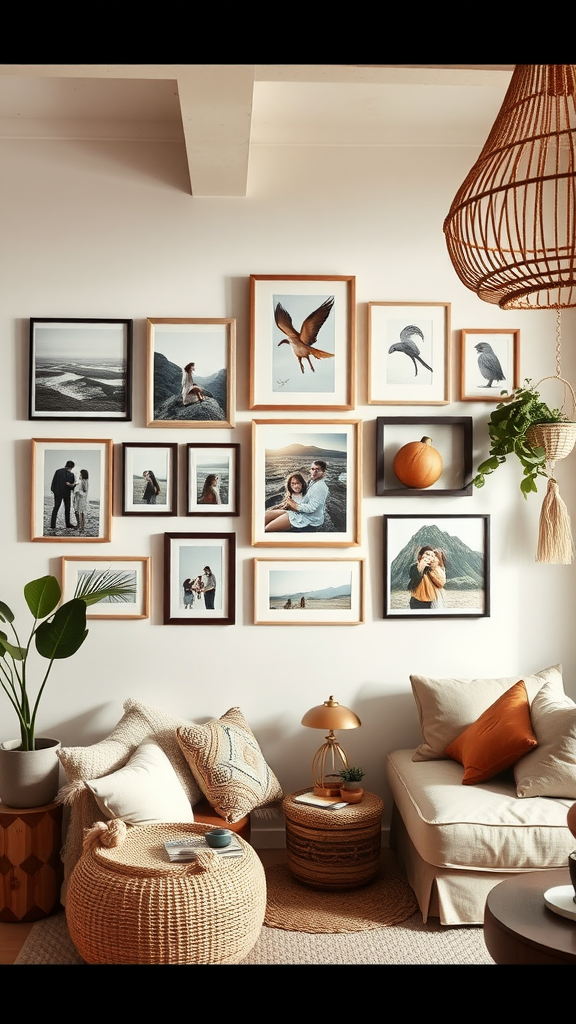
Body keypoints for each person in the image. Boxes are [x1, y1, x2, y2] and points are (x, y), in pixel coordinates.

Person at [264, 461, 329, 533]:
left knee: (267, 529)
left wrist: (295, 506)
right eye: (312, 469)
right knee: (267, 515)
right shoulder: (312, 482)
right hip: (300, 512)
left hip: (309, 518)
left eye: (318, 470)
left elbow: (312, 508)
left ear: (324, 472)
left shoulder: (320, 487)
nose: (314, 472)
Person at [50, 460, 75, 531]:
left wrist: (54, 491)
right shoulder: (71, 475)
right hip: (67, 494)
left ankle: (53, 525)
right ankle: (68, 524)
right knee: (67, 509)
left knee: (56, 508)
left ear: (66, 465)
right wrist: (74, 485)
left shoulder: (58, 471)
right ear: (72, 467)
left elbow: (53, 482)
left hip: (57, 493)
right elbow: (72, 487)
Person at [72, 469, 89, 533]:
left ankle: (82, 527)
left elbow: (85, 491)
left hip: (81, 499)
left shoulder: (85, 481)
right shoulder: (80, 481)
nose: (79, 475)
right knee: (76, 511)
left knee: (81, 512)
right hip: (77, 498)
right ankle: (78, 525)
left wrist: (78, 492)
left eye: (80, 474)